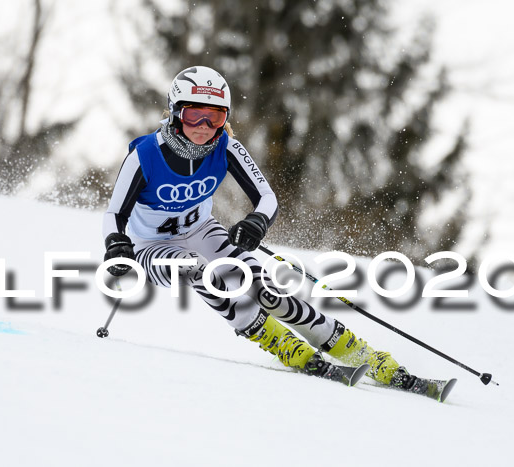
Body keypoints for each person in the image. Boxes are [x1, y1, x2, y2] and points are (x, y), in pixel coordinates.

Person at [102, 65, 416, 387]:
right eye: (194, 115)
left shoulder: (226, 147)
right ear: (174, 112)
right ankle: (286, 347)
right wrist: (115, 244)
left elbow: (267, 198)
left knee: (266, 290)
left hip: (201, 231)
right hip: (151, 247)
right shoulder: (145, 155)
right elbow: (115, 213)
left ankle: (364, 356)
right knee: (194, 268)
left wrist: (256, 222)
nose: (205, 126)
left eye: (216, 117)